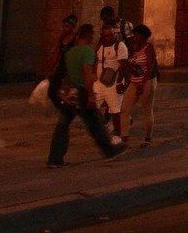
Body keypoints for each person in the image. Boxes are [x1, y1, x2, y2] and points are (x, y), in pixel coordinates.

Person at [47, 24, 124, 166]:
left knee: (63, 124)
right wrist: (90, 95)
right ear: (88, 36)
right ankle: (109, 151)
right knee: (94, 122)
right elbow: (86, 74)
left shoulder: (70, 52)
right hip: (81, 91)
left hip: (68, 93)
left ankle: (55, 158)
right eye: (93, 35)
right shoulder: (87, 52)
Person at [120, 24, 158, 147]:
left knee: (146, 109)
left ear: (144, 37)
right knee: (125, 109)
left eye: (137, 35)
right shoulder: (133, 48)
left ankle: (147, 138)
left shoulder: (149, 48)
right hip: (134, 81)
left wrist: (143, 82)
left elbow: (150, 66)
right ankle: (124, 138)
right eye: (134, 35)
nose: (135, 37)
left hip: (146, 81)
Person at [93, 22, 129, 145]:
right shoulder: (100, 46)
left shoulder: (120, 46)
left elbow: (124, 65)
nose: (109, 38)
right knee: (92, 106)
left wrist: (120, 82)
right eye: (106, 36)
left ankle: (118, 135)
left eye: (111, 35)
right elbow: (95, 62)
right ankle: (105, 125)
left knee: (115, 110)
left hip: (113, 83)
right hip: (99, 83)